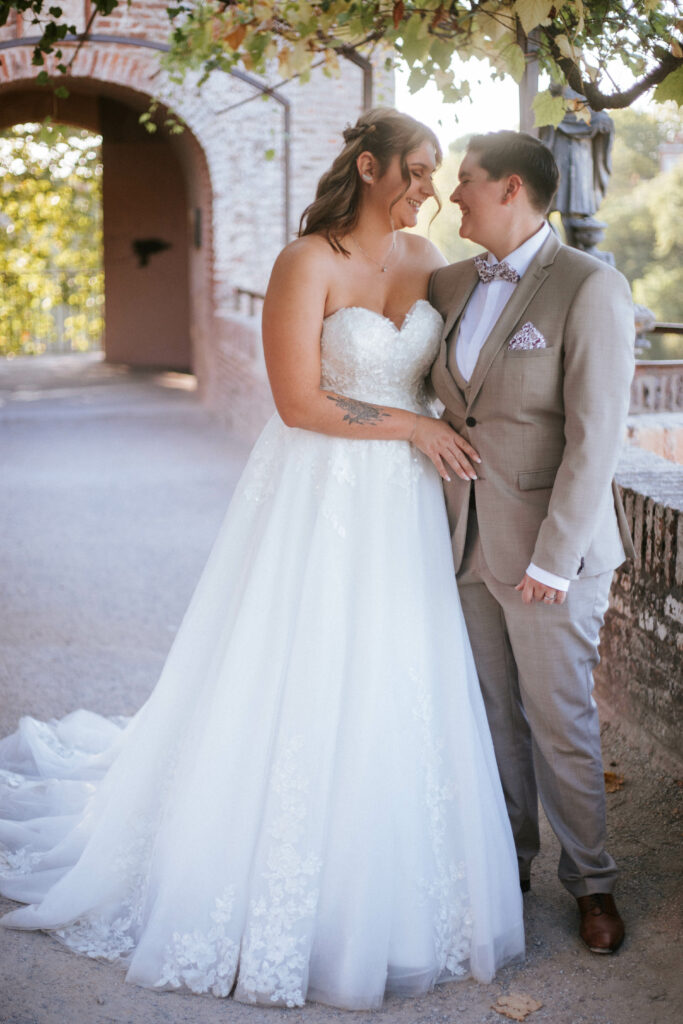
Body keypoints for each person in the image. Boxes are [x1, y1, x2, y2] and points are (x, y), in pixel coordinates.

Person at [0, 109, 524, 1011]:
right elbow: (295, 403)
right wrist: (411, 426)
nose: (430, 190)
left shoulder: (428, 266)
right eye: (417, 170)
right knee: (303, 666)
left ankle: (389, 889)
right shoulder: (305, 261)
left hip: (399, 507)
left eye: (439, 174)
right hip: (319, 492)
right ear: (367, 166)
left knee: (395, 673)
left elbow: (505, 315)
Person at [429, 130, 635, 956]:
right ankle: (505, 866)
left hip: (552, 554)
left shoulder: (590, 287)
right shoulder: (445, 283)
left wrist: (554, 558)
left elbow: (595, 439)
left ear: (510, 188)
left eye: (466, 182)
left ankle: (592, 883)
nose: (453, 197)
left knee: (560, 722)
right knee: (491, 721)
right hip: (465, 542)